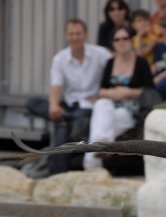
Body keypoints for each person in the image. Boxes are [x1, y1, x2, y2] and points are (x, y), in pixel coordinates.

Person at [25, 19, 112, 175]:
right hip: (70, 104)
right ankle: (64, 117)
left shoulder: (101, 54)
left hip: (89, 106)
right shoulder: (60, 58)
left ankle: (57, 173)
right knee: (32, 102)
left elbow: (116, 74)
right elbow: (56, 86)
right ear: (66, 36)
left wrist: (101, 94)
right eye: (71, 34)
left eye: (78, 33)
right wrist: (53, 106)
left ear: (85, 35)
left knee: (64, 123)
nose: (75, 37)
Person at [83, 26, 155, 169]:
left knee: (99, 127)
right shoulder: (110, 62)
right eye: (117, 39)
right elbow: (102, 90)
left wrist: (128, 92)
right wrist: (114, 93)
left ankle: (91, 165)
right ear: (113, 43)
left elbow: (150, 90)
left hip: (130, 110)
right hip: (109, 107)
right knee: (102, 104)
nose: (121, 42)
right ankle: (102, 145)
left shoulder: (141, 62)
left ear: (131, 40)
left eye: (125, 38)